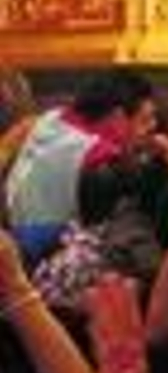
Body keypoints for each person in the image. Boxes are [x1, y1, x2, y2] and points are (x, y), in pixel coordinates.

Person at [4, 69, 156, 257]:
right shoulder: (102, 161)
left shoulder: (51, 117)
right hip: (41, 256)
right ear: (118, 117)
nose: (152, 128)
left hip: (12, 233)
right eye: (145, 120)